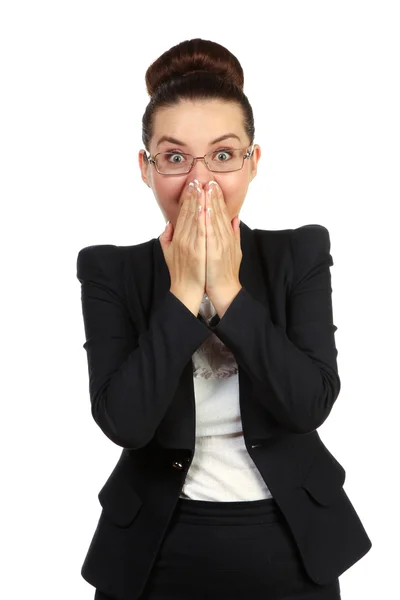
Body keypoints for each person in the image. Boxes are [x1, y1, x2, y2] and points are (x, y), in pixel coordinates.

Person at [76, 38, 372, 600]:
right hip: (154, 546)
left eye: (223, 154)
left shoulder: (298, 254)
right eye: (174, 157)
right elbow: (126, 423)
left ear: (252, 162)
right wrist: (185, 292)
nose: (200, 180)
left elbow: (308, 404)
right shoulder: (110, 271)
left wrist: (230, 292)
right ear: (146, 168)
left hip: (290, 539)